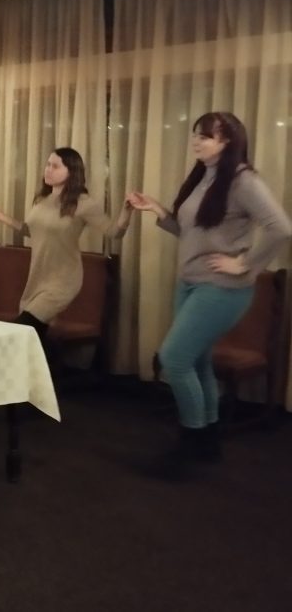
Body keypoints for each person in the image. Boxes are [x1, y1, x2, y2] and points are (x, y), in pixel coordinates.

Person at [127, 112, 290, 475]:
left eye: (205, 136)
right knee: (197, 362)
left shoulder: (242, 180)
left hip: (222, 289)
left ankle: (191, 442)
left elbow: (281, 228)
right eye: (196, 135)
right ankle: (209, 441)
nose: (197, 142)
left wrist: (244, 264)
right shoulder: (205, 176)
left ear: (228, 141)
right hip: (190, 282)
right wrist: (158, 210)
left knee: (174, 359)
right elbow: (193, 234)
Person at [0, 147, 132, 344]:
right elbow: (31, 231)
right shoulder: (42, 200)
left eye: (55, 166)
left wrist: (127, 211)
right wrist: (1, 217)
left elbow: (115, 232)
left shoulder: (83, 203)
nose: (48, 170)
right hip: (37, 278)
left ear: (72, 171)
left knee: (22, 330)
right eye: (48, 164)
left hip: (63, 280)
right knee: (35, 340)